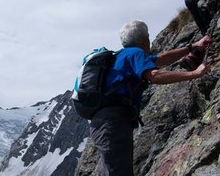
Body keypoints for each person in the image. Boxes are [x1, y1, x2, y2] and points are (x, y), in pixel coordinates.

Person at [89, 20, 211, 176]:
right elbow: (155, 75)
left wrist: (192, 47)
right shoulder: (135, 54)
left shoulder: (123, 56)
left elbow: (161, 59)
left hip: (106, 122)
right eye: (148, 36)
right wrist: (194, 74)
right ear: (144, 39)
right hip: (113, 121)